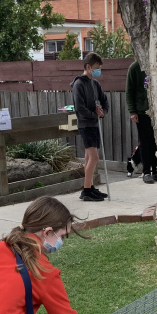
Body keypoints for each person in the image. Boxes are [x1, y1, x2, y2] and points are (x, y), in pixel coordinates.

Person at [70, 52, 109, 202]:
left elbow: (104, 102)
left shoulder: (95, 84)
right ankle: (86, 191)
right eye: (96, 68)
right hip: (85, 125)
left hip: (94, 124)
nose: (98, 71)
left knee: (88, 157)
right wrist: (94, 114)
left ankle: (90, 187)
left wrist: (102, 113)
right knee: (94, 157)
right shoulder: (79, 84)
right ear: (88, 67)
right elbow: (79, 108)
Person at [125, 59, 157, 184]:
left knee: (156, 142)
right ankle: (146, 172)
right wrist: (132, 111)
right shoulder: (134, 68)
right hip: (142, 111)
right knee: (145, 142)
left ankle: (155, 170)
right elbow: (129, 92)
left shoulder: (156, 63)